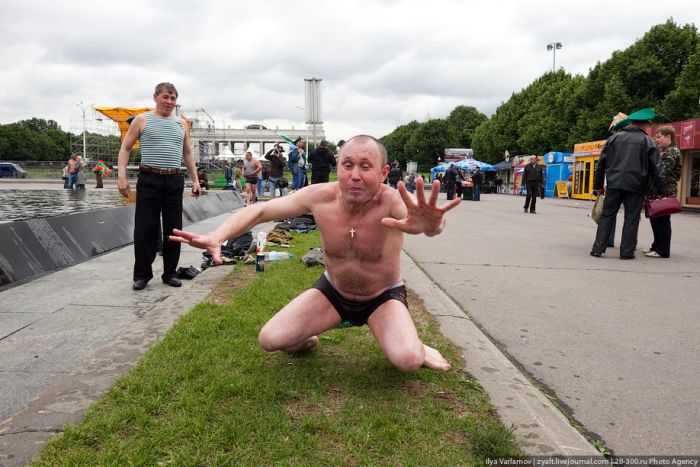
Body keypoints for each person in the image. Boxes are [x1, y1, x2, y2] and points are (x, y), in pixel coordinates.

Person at [170, 135, 461, 373]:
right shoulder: (320, 196)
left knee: (407, 362)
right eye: (347, 165)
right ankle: (308, 338)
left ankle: (419, 347)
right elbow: (260, 210)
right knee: (271, 339)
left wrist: (432, 224)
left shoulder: (392, 201)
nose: (355, 176)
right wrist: (217, 236)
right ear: (338, 165)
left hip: (381, 297)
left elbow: (424, 223)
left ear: (384, 172)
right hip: (334, 292)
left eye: (365, 166)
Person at [117, 82, 201, 290]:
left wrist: (196, 179)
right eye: (165, 97)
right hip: (149, 178)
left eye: (173, 98)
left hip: (173, 180)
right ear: (155, 97)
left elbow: (187, 153)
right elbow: (125, 148)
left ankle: (170, 272)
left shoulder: (182, 124)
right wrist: (122, 176)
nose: (169, 102)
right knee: (145, 227)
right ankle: (142, 275)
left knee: (174, 228)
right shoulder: (142, 120)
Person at [590, 108, 665, 260]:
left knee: (607, 216)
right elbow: (657, 168)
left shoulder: (613, 139)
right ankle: (626, 252)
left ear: (631, 123)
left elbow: (601, 164)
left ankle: (598, 249)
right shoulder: (648, 141)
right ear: (645, 125)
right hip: (636, 186)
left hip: (614, 184)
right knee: (631, 218)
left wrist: (597, 186)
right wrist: (662, 190)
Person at [644, 125, 682, 258]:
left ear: (668, 137)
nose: (657, 140)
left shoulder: (671, 152)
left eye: (659, 137)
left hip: (664, 191)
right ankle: (656, 246)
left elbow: (662, 172)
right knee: (656, 219)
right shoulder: (665, 151)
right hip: (660, 190)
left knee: (662, 221)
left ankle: (662, 250)